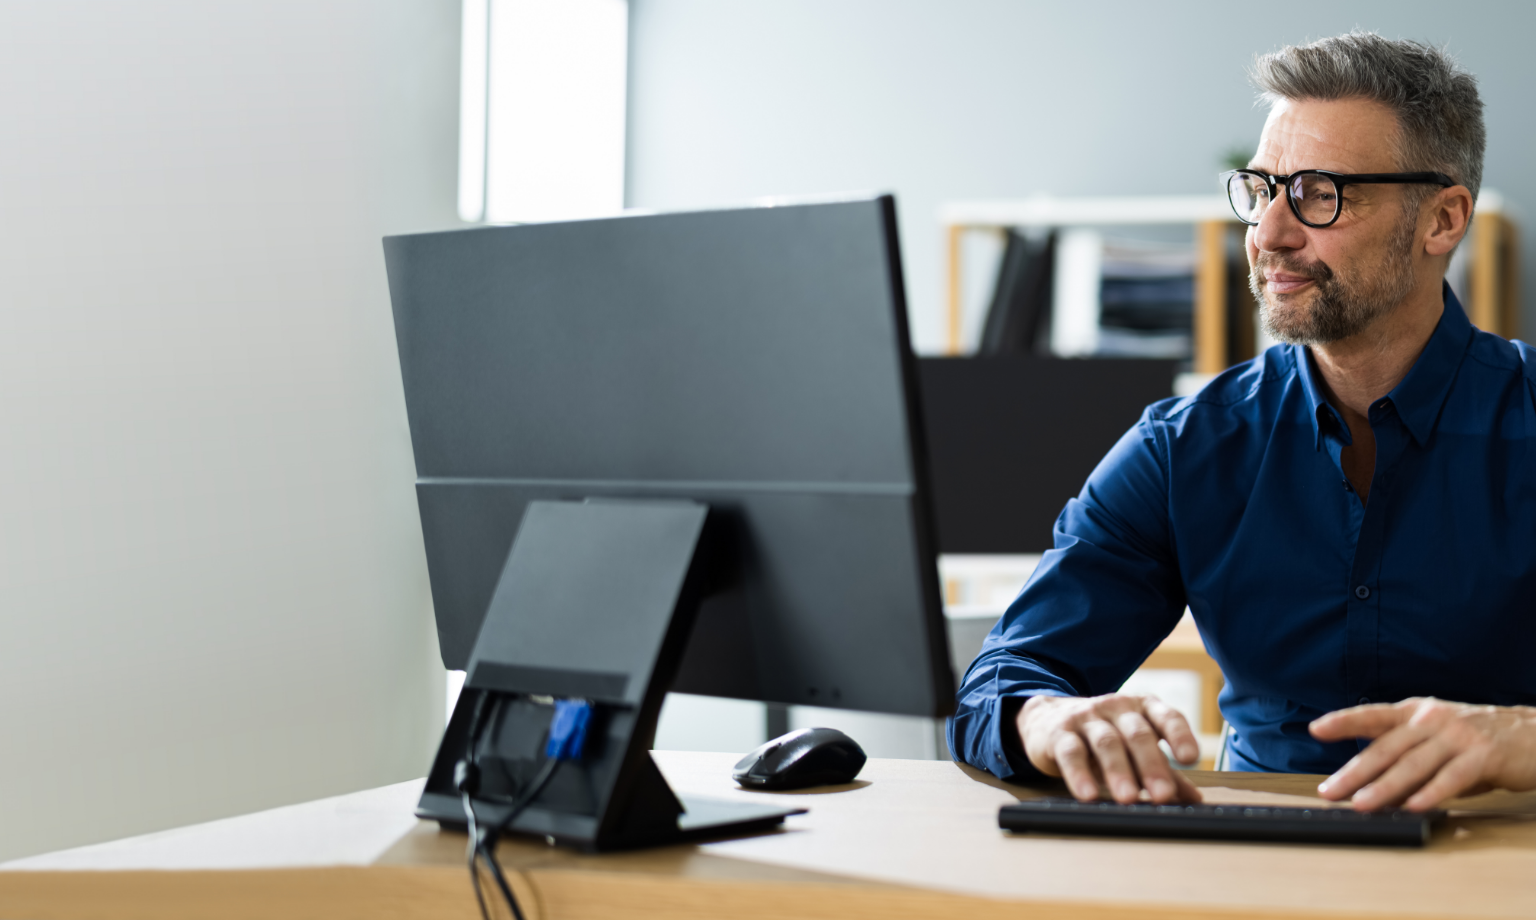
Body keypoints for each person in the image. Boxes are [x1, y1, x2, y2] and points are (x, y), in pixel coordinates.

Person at [948, 32, 1536, 813]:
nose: (1269, 234)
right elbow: (1002, 686)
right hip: (1258, 857)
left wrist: (1520, 737)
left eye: (1321, 193)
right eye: (1262, 190)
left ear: (1443, 219)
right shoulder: (1184, 446)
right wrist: (1051, 720)